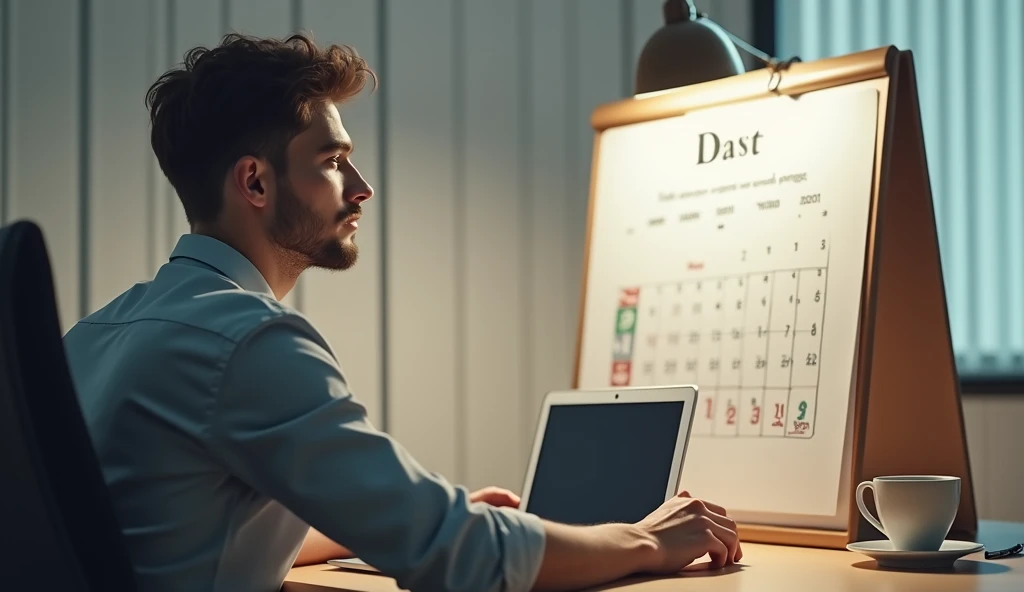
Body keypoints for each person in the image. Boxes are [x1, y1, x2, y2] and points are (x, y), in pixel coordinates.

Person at [61, 33, 742, 592]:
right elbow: (456, 560)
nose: (362, 189)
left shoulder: (96, 335)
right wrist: (647, 539)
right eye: (332, 162)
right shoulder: (248, 341)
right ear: (257, 182)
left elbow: (174, 529)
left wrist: (408, 516)